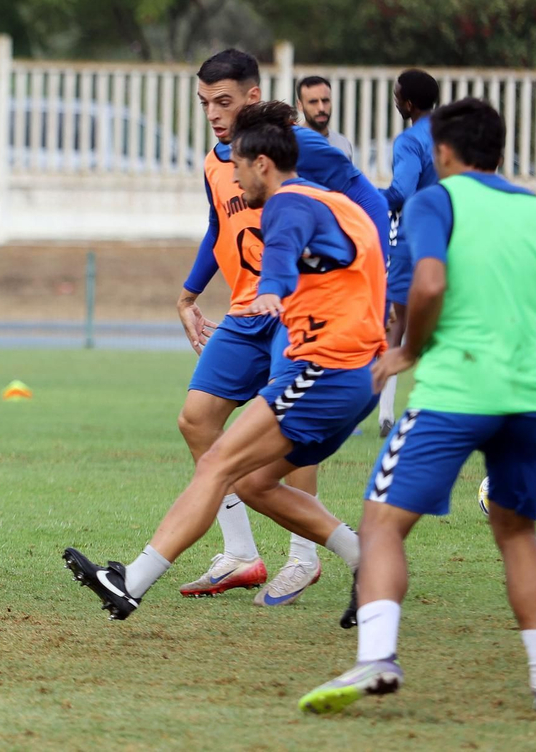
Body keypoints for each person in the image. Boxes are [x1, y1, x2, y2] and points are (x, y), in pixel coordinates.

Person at [299, 98, 536, 717]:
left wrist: (410, 349)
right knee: (518, 534)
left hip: (455, 395)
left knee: (382, 522)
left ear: (442, 152)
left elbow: (429, 282)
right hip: (528, 401)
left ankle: (378, 656)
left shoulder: (437, 200)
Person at [68, 101, 384, 623]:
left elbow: (279, 256)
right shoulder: (333, 202)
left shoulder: (287, 204)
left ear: (263, 164)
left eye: (238, 166)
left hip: (324, 371)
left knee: (217, 464)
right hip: (354, 377)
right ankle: (366, 560)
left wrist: (273, 291)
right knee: (253, 482)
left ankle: (132, 582)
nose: (233, 177)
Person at [175, 49, 390, 608]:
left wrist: (380, 279)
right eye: (204, 103)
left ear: (252, 96)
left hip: (297, 310)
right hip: (247, 309)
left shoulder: (300, 146)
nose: (214, 115)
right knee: (198, 421)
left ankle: (304, 556)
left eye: (223, 102)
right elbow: (216, 225)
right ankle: (242, 554)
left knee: (288, 425)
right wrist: (189, 292)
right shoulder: (214, 160)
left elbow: (365, 200)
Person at [376, 70, 440, 438]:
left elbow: (401, 190)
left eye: (397, 95)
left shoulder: (409, 141)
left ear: (409, 103)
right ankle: (439, 407)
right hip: (447, 238)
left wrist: (367, 199)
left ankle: (386, 415)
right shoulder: (452, 135)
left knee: (397, 323)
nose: (396, 100)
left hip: (410, 239)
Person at [297, 76, 357, 158]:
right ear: (300, 105)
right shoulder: (291, 145)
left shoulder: (343, 145)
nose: (321, 108)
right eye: (313, 102)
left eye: (325, 101)